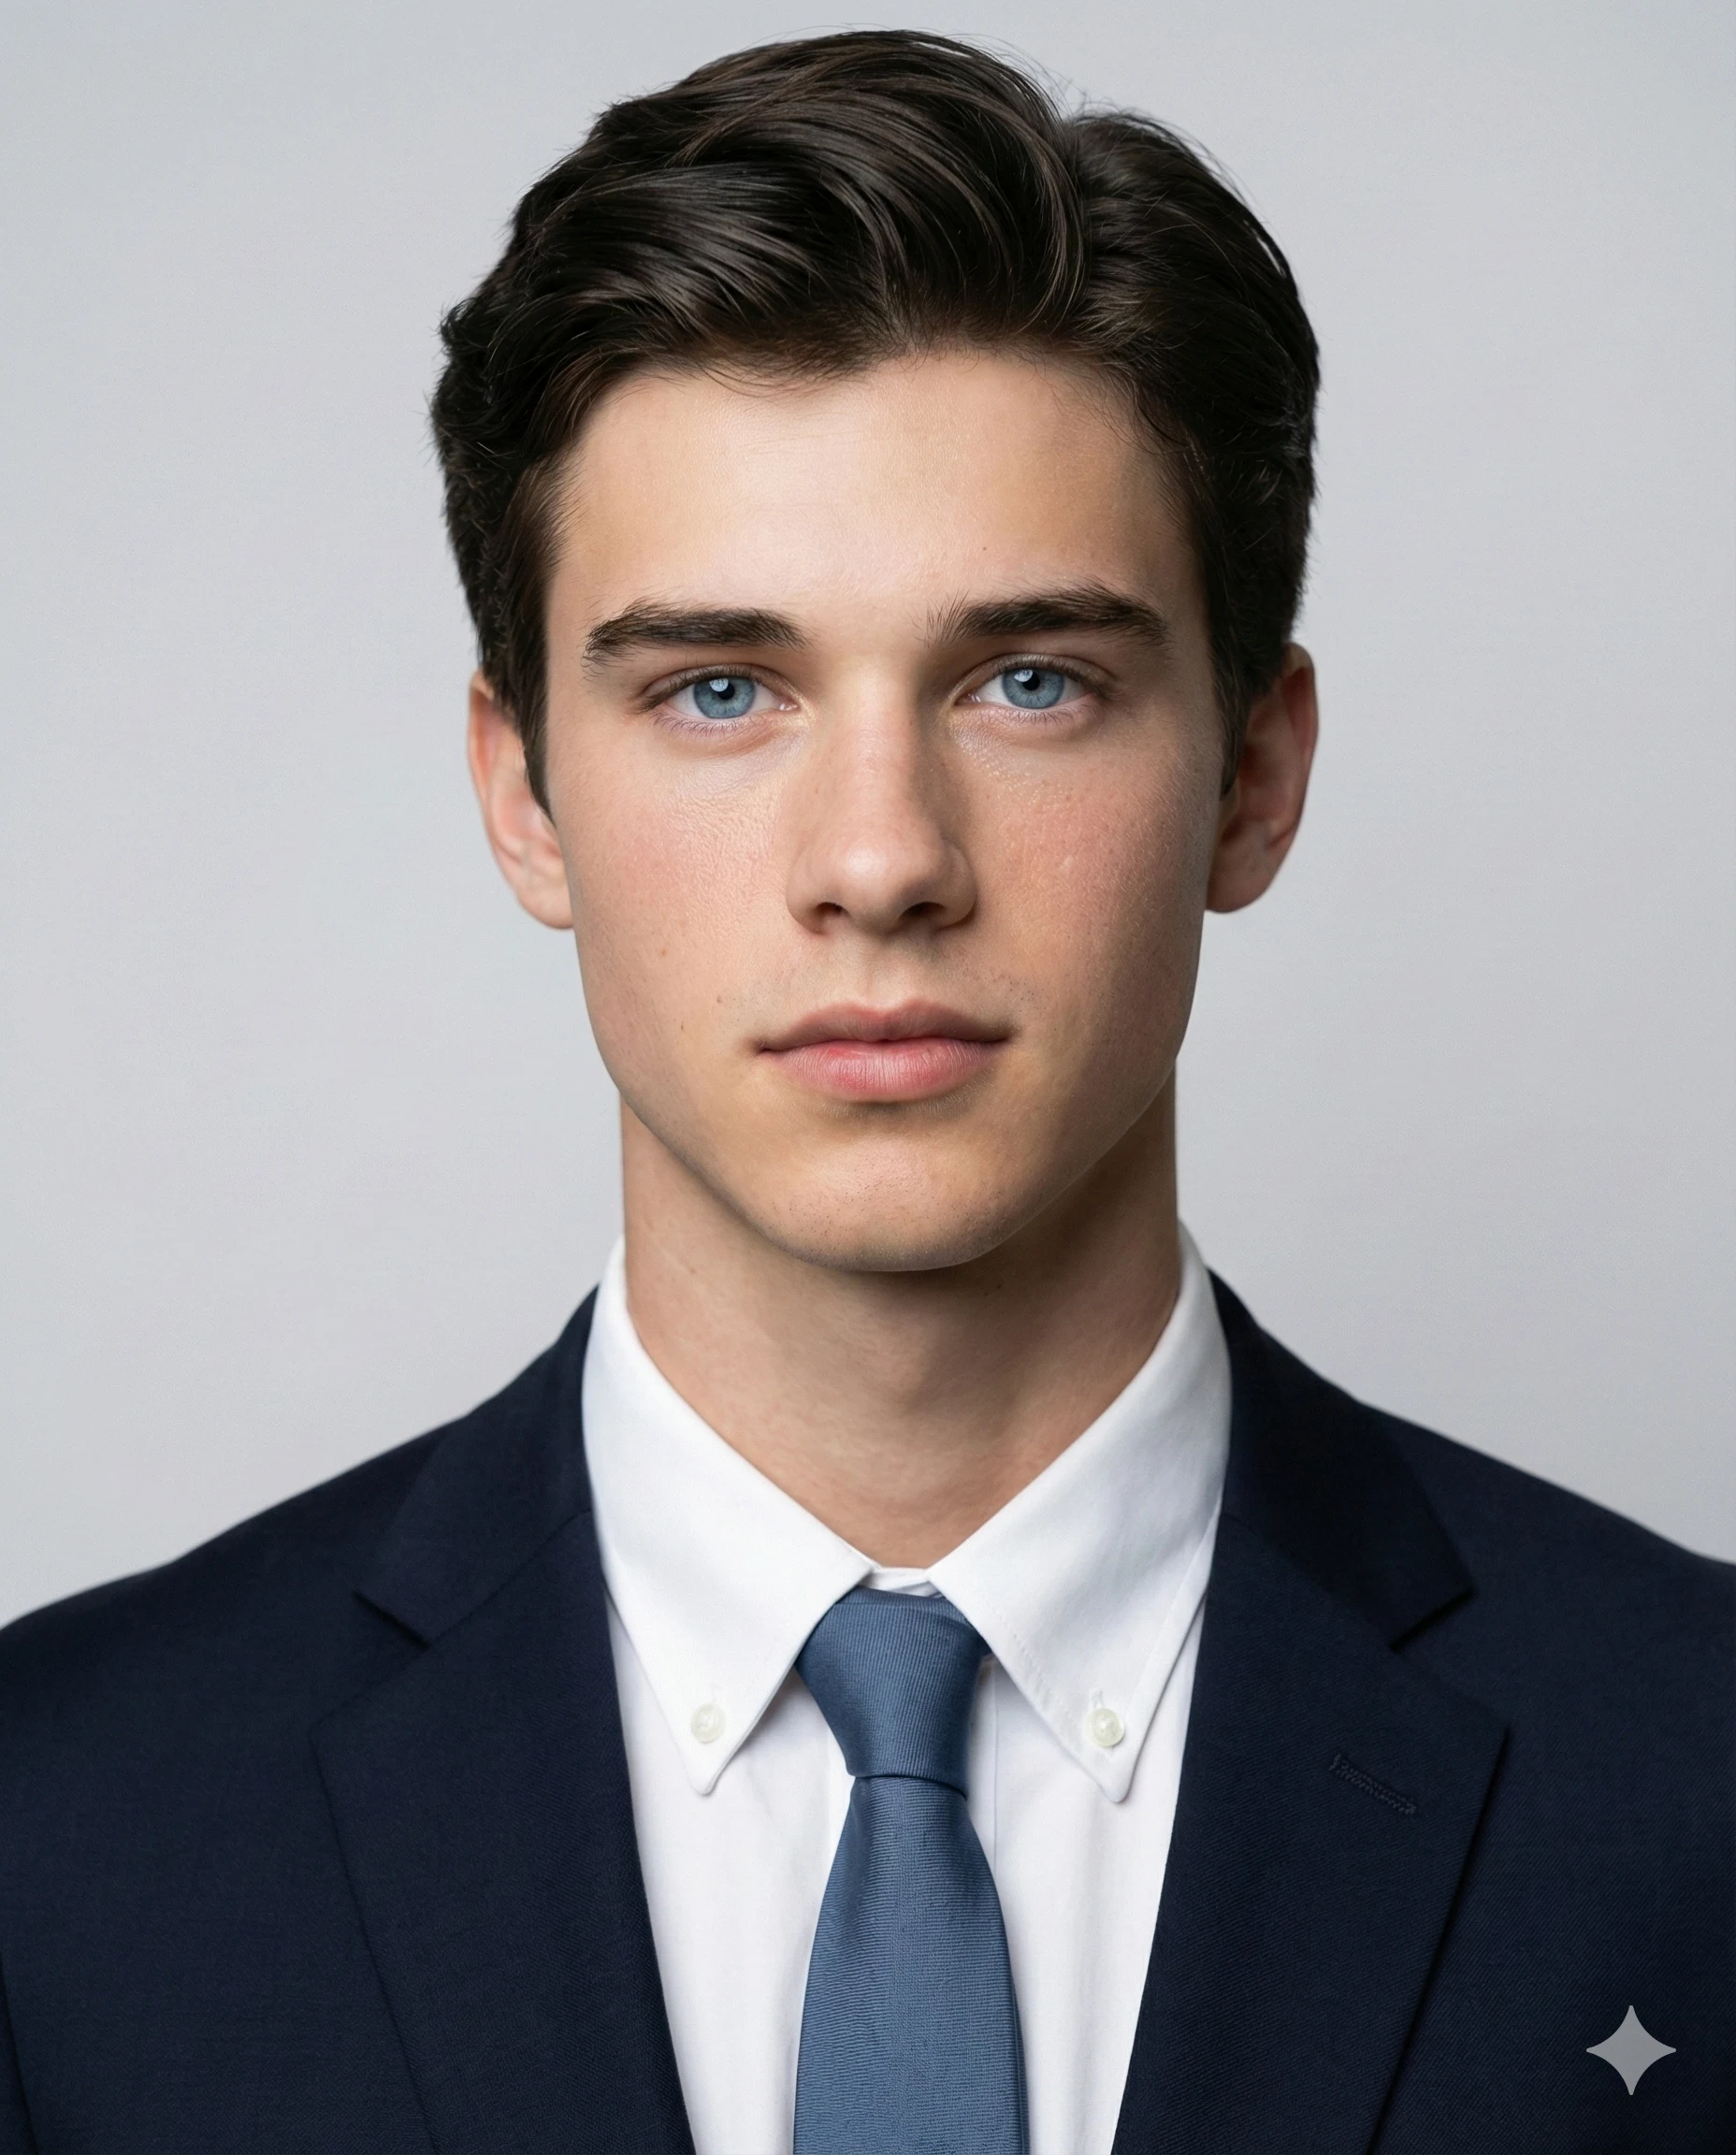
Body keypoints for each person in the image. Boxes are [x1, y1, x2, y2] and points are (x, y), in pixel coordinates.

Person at [0, 29, 1728, 2155]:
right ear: (520, 797)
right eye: (719, 690)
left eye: (1031, 682)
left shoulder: (1695, 1786)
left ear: (1253, 777)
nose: (882, 858)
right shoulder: (57, 1841)